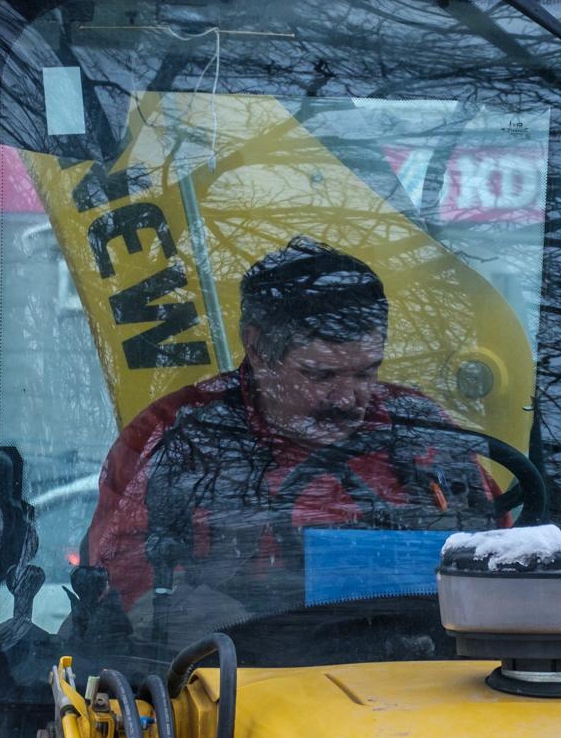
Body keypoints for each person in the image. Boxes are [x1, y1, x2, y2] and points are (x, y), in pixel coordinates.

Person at [84, 238, 499, 611]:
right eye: (320, 375)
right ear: (259, 347)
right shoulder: (181, 437)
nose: (348, 400)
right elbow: (122, 591)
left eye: (366, 374)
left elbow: (508, 555)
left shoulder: (420, 430)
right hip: (239, 675)